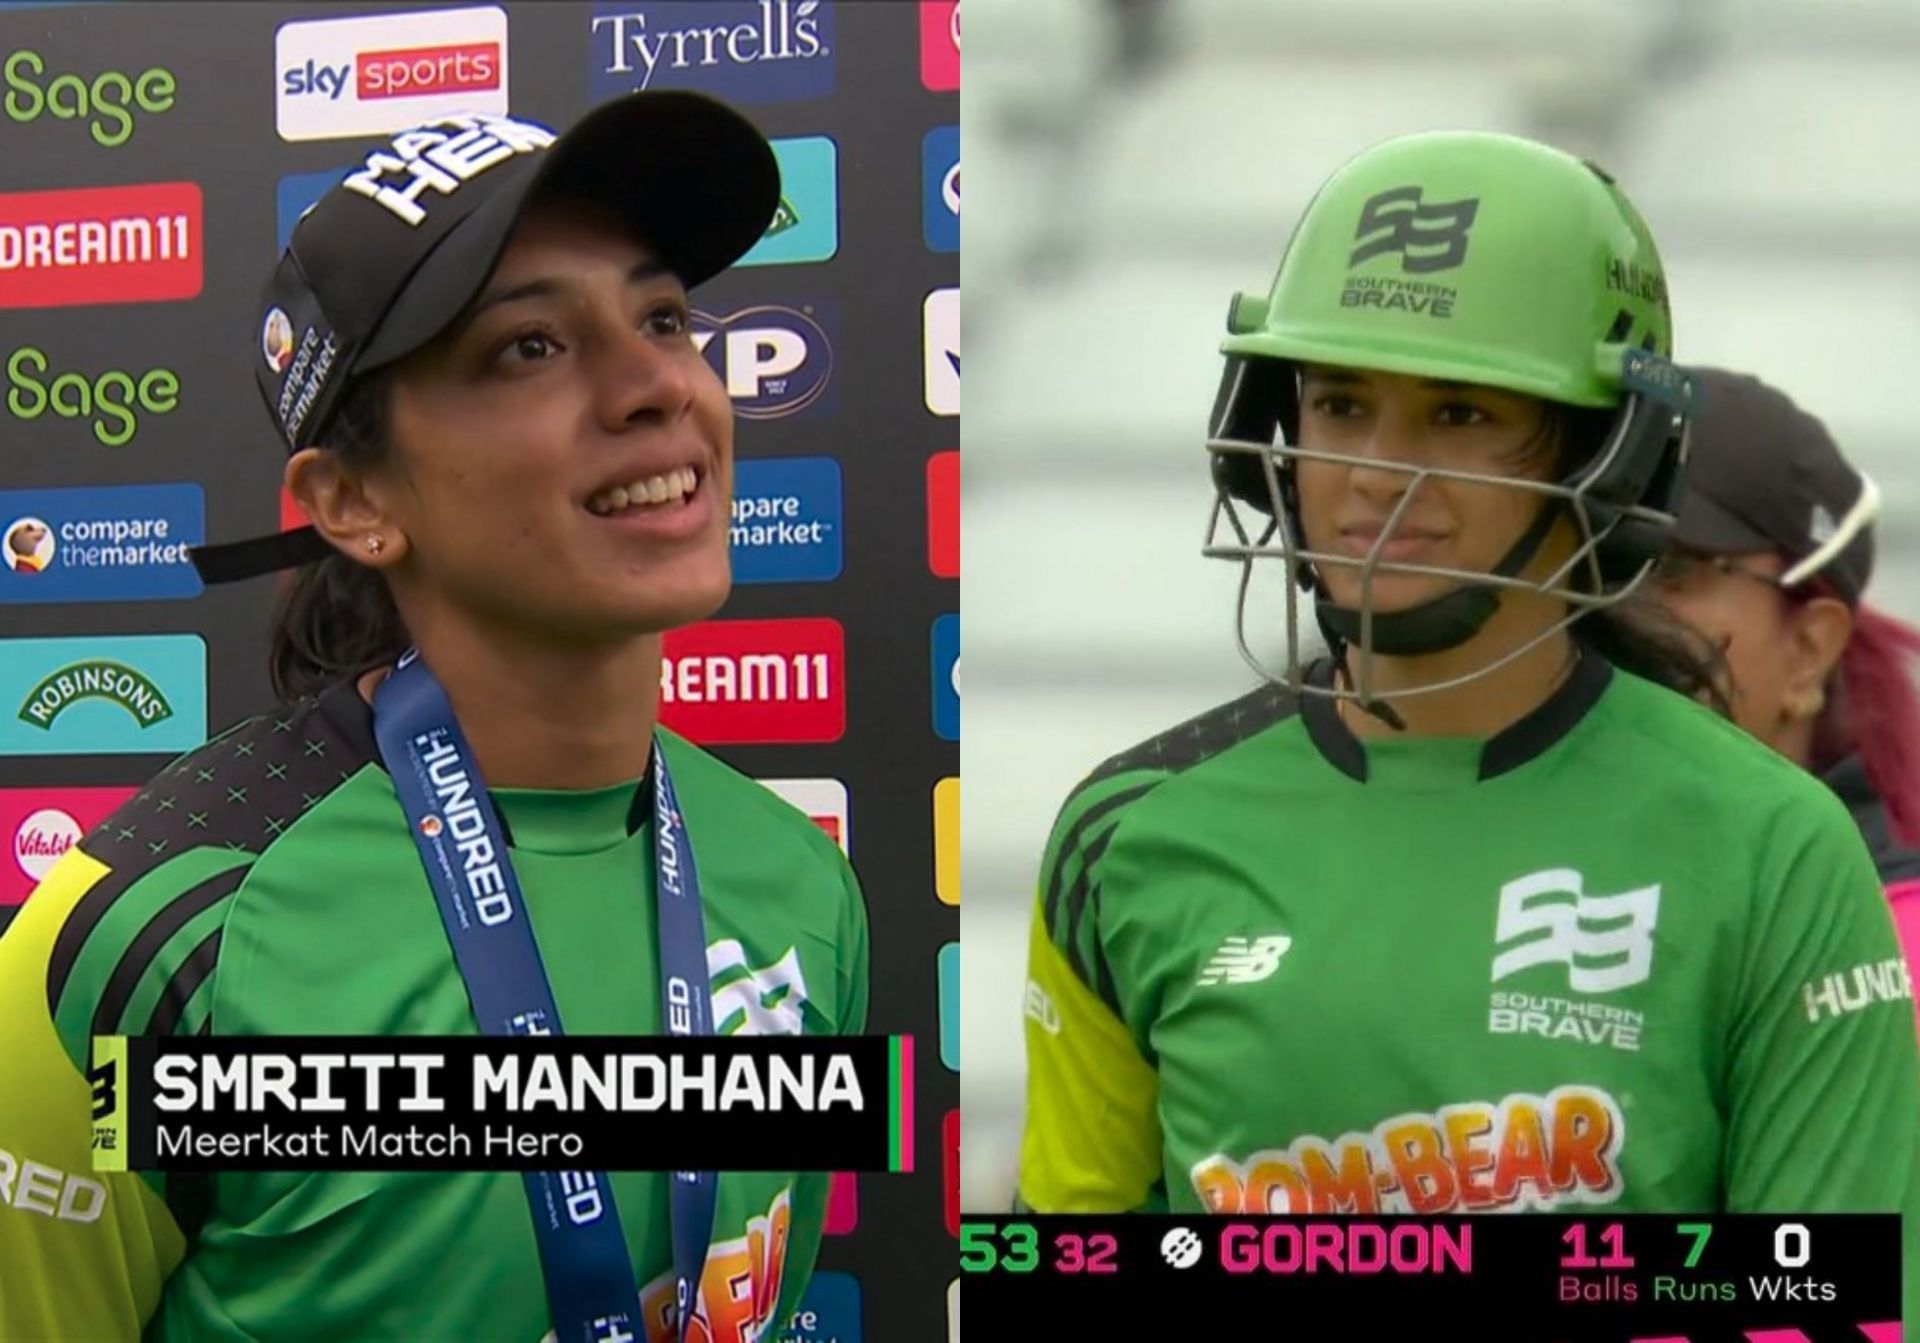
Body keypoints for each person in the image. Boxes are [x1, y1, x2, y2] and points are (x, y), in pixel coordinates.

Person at [0, 91, 870, 1343]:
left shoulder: (801, 883)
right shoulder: (156, 935)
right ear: (353, 500)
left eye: (665, 317)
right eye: (531, 345)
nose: (655, 387)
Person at [1012, 130, 1920, 1313]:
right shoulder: (1123, 833)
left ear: (1612, 455)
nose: (1378, 472)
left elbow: (1834, 1307)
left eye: (1458, 412)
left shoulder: (1773, 846)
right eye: (1340, 400)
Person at [1649, 366, 1920, 1026]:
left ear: (1808, 649)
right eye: (1593, 558)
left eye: (1672, 570)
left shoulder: (1891, 950)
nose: (1608, 610)